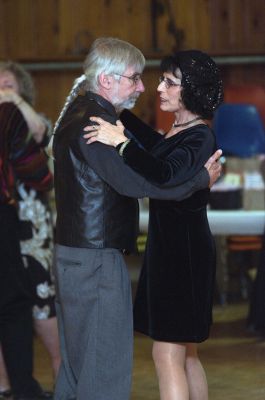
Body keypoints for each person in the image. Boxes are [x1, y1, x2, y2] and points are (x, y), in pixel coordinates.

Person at [52, 37, 221, 400]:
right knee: (109, 363)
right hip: (111, 254)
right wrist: (200, 180)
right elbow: (146, 172)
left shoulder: (85, 115)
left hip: (180, 252)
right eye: (137, 78)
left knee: (169, 353)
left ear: (189, 91)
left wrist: (121, 133)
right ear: (107, 81)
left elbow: (158, 168)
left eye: (166, 82)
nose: (148, 87)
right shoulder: (97, 124)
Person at [0, 61, 60, 399]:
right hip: (7, 218)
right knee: (11, 306)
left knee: (40, 297)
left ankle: (57, 371)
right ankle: (11, 385)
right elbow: (39, 173)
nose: (3, 88)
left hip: (31, 223)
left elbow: (40, 135)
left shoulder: (29, 117)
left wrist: (13, 102)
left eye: (9, 83)